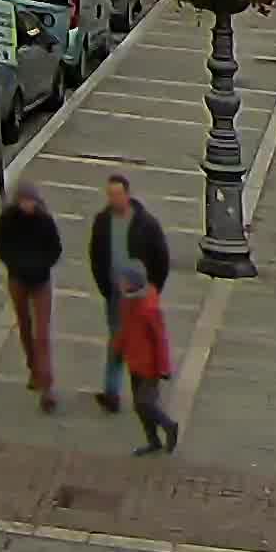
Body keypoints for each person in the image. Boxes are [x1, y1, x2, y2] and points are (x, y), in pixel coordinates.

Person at [85, 175, 170, 414]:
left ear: (127, 194)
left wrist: (153, 288)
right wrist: (105, 285)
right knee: (116, 340)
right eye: (110, 195)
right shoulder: (102, 222)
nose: (114, 199)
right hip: (115, 293)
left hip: (140, 295)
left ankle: (145, 394)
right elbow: (95, 256)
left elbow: (161, 258)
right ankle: (112, 392)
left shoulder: (146, 224)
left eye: (118, 194)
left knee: (140, 343)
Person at [0, 187, 61, 412]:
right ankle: (33, 368)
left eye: (32, 201)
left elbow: (55, 249)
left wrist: (41, 265)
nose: (29, 206)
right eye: (25, 201)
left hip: (41, 281)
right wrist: (15, 264)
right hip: (18, 279)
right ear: (18, 202)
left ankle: (47, 386)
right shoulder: (8, 219)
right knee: (24, 325)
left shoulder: (44, 221)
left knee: (42, 332)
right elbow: (0, 244)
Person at [113, 260, 180, 454]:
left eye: (123, 280)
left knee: (145, 403)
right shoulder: (127, 300)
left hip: (149, 366)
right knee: (140, 406)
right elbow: (124, 328)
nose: (119, 283)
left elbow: (161, 339)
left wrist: (164, 368)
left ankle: (169, 426)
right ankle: (153, 441)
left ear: (133, 282)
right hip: (134, 363)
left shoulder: (148, 308)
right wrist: (118, 349)